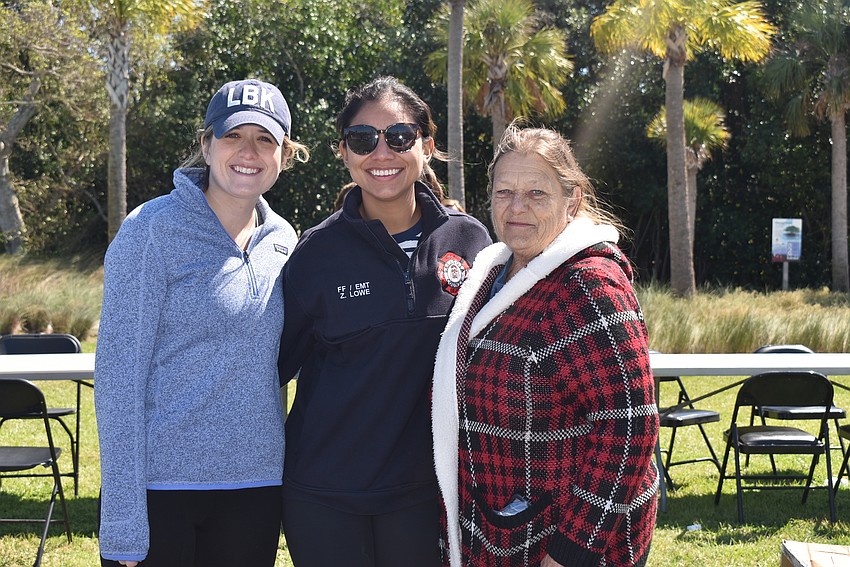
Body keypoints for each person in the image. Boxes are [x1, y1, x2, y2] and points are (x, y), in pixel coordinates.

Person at [278, 75, 492, 567]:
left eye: (399, 137)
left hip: (426, 493)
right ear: (344, 152)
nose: (382, 152)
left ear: (427, 145)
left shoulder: (472, 240)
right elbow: (274, 368)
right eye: (362, 139)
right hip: (324, 493)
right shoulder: (315, 253)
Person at [95, 78, 309, 567]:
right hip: (162, 489)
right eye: (234, 135)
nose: (248, 151)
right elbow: (118, 380)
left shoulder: (283, 239)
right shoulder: (150, 230)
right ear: (207, 144)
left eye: (265, 140)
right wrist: (124, 518)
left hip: (255, 488)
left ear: (283, 154)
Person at [432, 124, 658, 567]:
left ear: (571, 200)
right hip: (504, 528)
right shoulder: (492, 273)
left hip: (563, 542)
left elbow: (629, 430)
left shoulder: (589, 284)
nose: (517, 208)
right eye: (504, 193)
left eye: (537, 194)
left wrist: (571, 551)